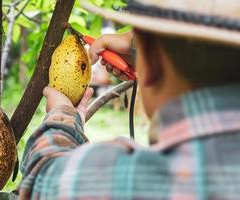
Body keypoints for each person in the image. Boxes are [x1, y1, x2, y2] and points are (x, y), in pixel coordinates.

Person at [18, 0, 240, 199]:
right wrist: (144, 49)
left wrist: (62, 117)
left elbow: (43, 177)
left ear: (151, 66)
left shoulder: (135, 180)